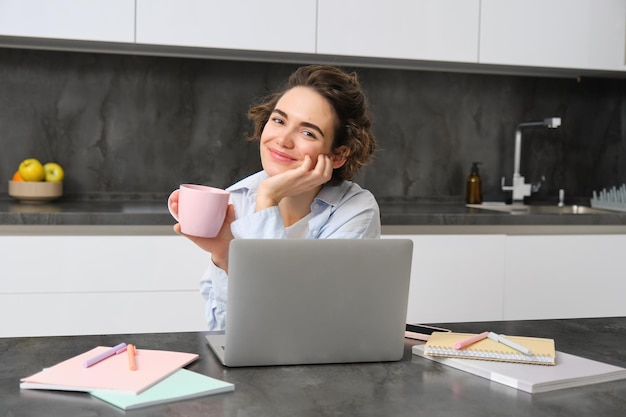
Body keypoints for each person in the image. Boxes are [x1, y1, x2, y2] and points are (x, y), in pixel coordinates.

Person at [170, 64, 380, 330]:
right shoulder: (238, 198)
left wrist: (269, 198)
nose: (282, 140)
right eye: (279, 120)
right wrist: (225, 256)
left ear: (337, 155)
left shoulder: (354, 210)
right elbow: (223, 332)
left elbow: (295, 324)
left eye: (307, 133)